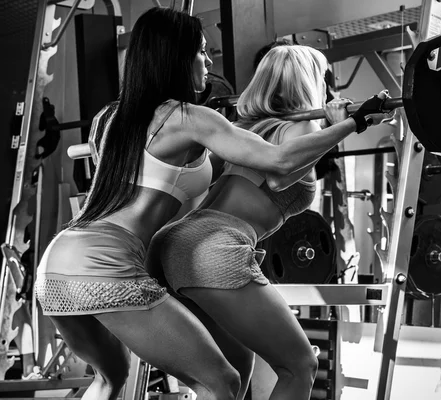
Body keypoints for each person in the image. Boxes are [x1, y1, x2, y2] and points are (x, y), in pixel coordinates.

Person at [33, 7, 390, 400]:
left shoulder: (110, 120)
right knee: (228, 380)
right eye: (201, 52)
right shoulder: (190, 118)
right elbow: (279, 162)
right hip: (109, 265)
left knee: (111, 381)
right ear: (177, 58)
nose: (208, 62)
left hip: (57, 262)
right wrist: (353, 123)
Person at [145, 44, 392, 400]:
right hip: (217, 248)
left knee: (233, 371)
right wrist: (350, 124)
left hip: (175, 246)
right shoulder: (301, 127)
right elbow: (280, 176)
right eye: (322, 78)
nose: (326, 87)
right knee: (300, 365)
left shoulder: (249, 128)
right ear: (308, 83)